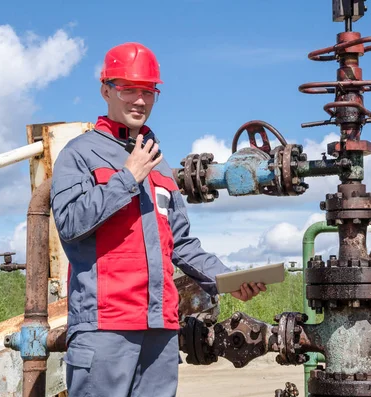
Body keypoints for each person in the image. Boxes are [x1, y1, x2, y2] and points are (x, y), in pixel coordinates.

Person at [50, 42, 266, 397]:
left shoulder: (159, 165)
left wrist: (227, 281)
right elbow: (70, 222)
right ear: (106, 90)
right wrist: (127, 177)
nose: (139, 100)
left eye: (148, 91)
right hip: (106, 327)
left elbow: (181, 244)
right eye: (129, 90)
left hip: (161, 328)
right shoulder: (80, 154)